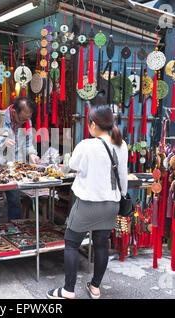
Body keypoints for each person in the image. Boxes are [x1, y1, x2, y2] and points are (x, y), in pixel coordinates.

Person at [47, 105, 128, 299]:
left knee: (71, 244)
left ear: (93, 124)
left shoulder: (86, 145)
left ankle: (68, 289)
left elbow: (72, 165)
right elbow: (123, 176)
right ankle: (95, 287)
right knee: (101, 244)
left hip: (87, 204)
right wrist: (122, 195)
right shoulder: (121, 144)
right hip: (111, 204)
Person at [0, 97, 40, 225]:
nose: (24, 121)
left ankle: (15, 230)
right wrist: (2, 140)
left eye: (27, 118)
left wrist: (31, 154)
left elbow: (28, 142)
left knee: (14, 199)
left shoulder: (27, 122)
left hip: (14, 166)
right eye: (22, 119)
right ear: (14, 111)